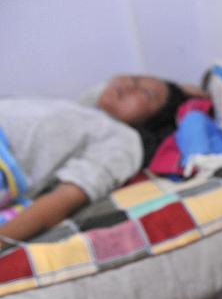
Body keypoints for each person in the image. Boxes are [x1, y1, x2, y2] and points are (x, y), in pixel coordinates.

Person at [0, 75, 203, 245]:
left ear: (156, 120)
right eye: (134, 77)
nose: (130, 85)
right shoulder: (88, 106)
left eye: (146, 93)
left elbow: (66, 198)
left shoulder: (123, 140)